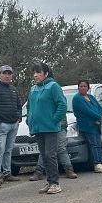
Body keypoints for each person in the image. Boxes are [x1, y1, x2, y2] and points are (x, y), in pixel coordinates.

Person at [26, 62, 67, 194]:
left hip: (50, 127)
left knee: (50, 154)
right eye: (34, 72)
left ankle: (55, 183)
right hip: (37, 128)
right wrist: (29, 119)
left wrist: (54, 120)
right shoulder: (33, 89)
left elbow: (62, 104)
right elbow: (29, 106)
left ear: (46, 73)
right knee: (44, 155)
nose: (35, 75)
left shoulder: (53, 86)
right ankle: (49, 181)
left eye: (38, 72)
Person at [0, 64, 23, 185]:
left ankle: (7, 173)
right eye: (4, 73)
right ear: (0, 74)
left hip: (13, 124)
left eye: (9, 74)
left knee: (8, 150)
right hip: (1, 126)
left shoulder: (13, 89)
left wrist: (18, 118)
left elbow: (19, 104)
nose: (7, 76)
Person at [72, 79, 102, 173]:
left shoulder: (91, 97)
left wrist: (100, 118)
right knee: (93, 144)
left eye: (85, 86)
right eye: (81, 86)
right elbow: (86, 110)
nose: (83, 88)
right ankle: (97, 164)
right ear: (78, 88)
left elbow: (99, 107)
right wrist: (97, 117)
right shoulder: (77, 98)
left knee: (99, 144)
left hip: (96, 124)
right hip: (87, 125)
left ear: (88, 88)